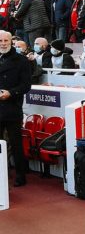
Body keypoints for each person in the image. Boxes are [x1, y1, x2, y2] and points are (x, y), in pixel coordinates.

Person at [0, 30, 31, 187]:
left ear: (11, 41)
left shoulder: (21, 60)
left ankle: (20, 176)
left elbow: (26, 85)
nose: (3, 43)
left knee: (16, 144)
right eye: (1, 41)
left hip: (12, 108)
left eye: (6, 40)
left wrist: (11, 93)